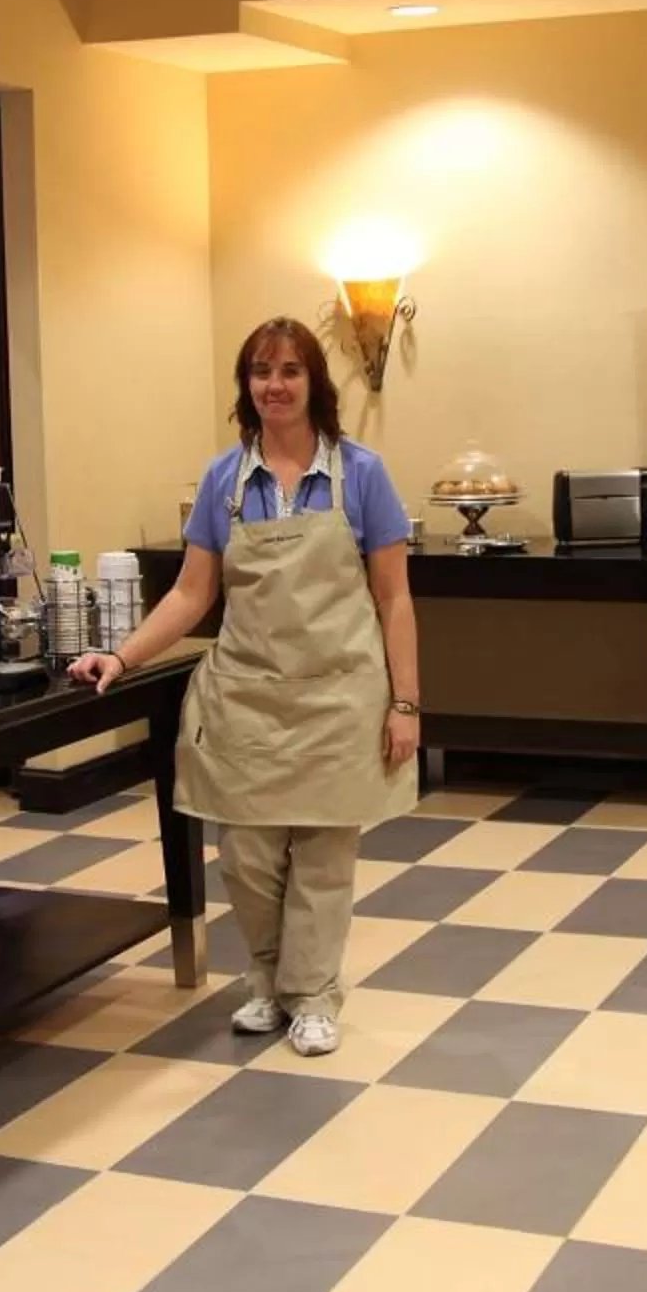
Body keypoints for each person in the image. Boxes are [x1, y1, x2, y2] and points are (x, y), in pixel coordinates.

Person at [68, 317, 420, 1056]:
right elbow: (191, 594)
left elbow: (393, 598)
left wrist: (405, 703)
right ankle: (267, 982)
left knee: (323, 858)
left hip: (339, 696)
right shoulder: (224, 481)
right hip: (247, 696)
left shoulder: (362, 474)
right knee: (248, 857)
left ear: (314, 383)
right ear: (246, 385)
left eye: (290, 370)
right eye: (261, 371)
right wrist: (121, 657)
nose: (275, 384)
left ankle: (313, 995)